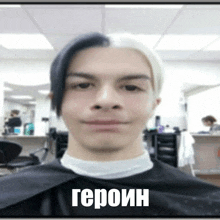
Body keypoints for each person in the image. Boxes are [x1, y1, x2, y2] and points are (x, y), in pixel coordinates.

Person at [0, 32, 220, 217]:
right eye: (83, 85)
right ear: (57, 102)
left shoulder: (207, 205)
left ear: (154, 104)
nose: (106, 100)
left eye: (131, 87)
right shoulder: (8, 199)